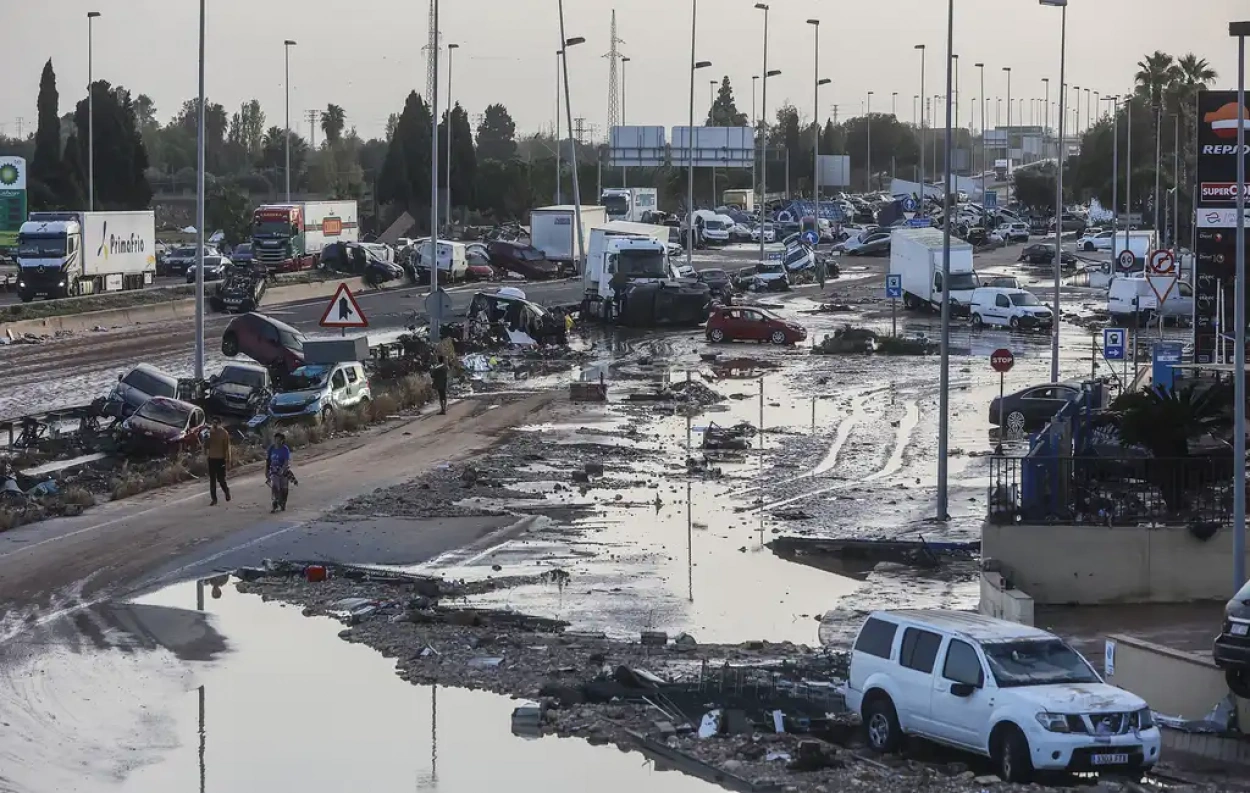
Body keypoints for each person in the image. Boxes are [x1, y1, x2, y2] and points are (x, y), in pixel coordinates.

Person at [205, 417, 231, 505]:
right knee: (212, 480)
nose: (214, 425)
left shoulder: (224, 433)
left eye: (216, 423)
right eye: (213, 423)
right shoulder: (209, 432)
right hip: (211, 458)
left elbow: (227, 448)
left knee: (220, 479)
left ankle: (226, 491)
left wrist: (228, 459)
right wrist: (206, 440)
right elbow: (206, 446)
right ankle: (214, 499)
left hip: (220, 459)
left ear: (220, 424)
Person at [266, 432, 292, 512]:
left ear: (282, 440)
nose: (277, 441)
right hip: (274, 470)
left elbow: (286, 461)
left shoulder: (285, 449)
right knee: (275, 487)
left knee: (284, 489)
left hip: (283, 470)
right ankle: (275, 503)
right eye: (276, 439)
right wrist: (266, 471)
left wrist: (282, 469)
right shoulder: (271, 448)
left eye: (279, 439)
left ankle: (283, 503)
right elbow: (268, 461)